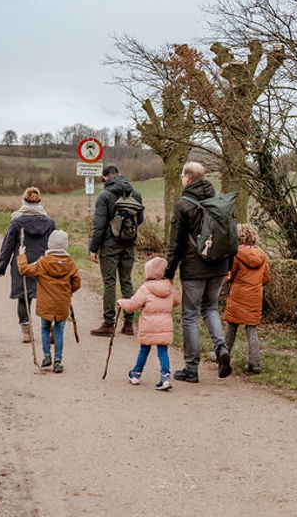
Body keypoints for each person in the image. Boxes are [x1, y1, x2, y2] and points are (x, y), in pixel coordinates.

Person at [165, 161, 232, 382]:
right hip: (219, 264)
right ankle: (221, 348)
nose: (182, 179)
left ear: (188, 178)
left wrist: (169, 273)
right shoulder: (219, 201)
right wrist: (228, 267)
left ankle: (191, 369)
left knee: (190, 316)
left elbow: (176, 242)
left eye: (183, 176)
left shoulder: (183, 204)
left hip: (194, 268)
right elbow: (230, 236)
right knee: (210, 308)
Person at [89, 165, 144, 337]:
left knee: (110, 283)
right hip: (129, 244)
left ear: (105, 177)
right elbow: (139, 220)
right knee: (126, 281)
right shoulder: (135, 193)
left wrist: (93, 248)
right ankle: (128, 324)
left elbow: (99, 225)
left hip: (109, 245)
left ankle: (108, 323)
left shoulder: (105, 195)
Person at [0, 187, 56, 343]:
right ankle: (49, 326)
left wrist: (1, 267)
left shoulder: (17, 222)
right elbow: (56, 245)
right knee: (47, 297)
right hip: (44, 264)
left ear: (23, 201)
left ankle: (26, 333)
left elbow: (7, 246)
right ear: (39, 202)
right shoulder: (49, 223)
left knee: (24, 298)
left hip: (22, 264)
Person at [17, 229, 81, 373]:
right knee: (59, 331)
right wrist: (68, 291)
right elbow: (77, 283)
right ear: (65, 246)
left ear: (50, 245)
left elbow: (25, 270)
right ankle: (58, 361)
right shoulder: (70, 264)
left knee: (45, 329)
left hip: (45, 304)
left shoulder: (42, 262)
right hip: (62, 305)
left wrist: (22, 256)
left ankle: (47, 356)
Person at [118, 256, 181, 391]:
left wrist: (121, 302)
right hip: (164, 326)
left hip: (148, 326)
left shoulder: (145, 288)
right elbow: (177, 301)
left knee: (144, 350)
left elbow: (133, 305)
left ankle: (136, 374)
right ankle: (165, 377)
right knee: (163, 352)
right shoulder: (169, 287)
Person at [223, 223, 270, 374]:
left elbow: (230, 275)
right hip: (254, 296)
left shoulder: (236, 254)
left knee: (231, 327)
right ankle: (255, 363)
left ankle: (222, 355)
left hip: (238, 295)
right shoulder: (262, 255)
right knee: (251, 330)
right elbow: (266, 278)